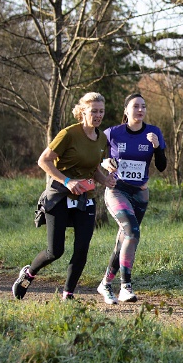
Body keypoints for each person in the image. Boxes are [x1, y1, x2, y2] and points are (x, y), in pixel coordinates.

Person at [12, 92, 116, 301]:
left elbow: (94, 168)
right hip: (59, 196)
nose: (98, 115)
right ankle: (28, 274)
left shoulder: (102, 139)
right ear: (83, 112)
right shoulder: (68, 134)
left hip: (85, 198)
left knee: (82, 248)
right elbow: (44, 161)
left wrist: (105, 180)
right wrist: (67, 181)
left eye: (101, 111)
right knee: (55, 251)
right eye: (93, 111)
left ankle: (68, 294)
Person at [95, 93, 167, 305]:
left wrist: (157, 147)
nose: (140, 110)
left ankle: (105, 284)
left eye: (143, 106)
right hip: (117, 190)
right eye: (135, 106)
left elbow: (162, 166)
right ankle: (125, 286)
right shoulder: (112, 133)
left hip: (140, 194)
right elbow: (96, 156)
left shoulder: (154, 132)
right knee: (132, 232)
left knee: (126, 238)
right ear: (126, 110)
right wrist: (105, 162)